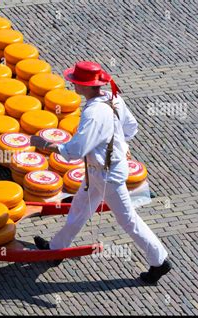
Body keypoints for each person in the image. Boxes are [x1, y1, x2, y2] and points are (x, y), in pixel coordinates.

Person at [30, 61, 171, 284]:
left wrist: (46, 144)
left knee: (128, 221)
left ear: (84, 85)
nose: (72, 84)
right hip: (101, 171)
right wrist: (118, 146)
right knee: (79, 208)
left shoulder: (93, 113)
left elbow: (75, 150)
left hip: (106, 175)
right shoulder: (113, 98)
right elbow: (131, 127)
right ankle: (56, 249)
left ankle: (159, 260)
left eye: (75, 81)